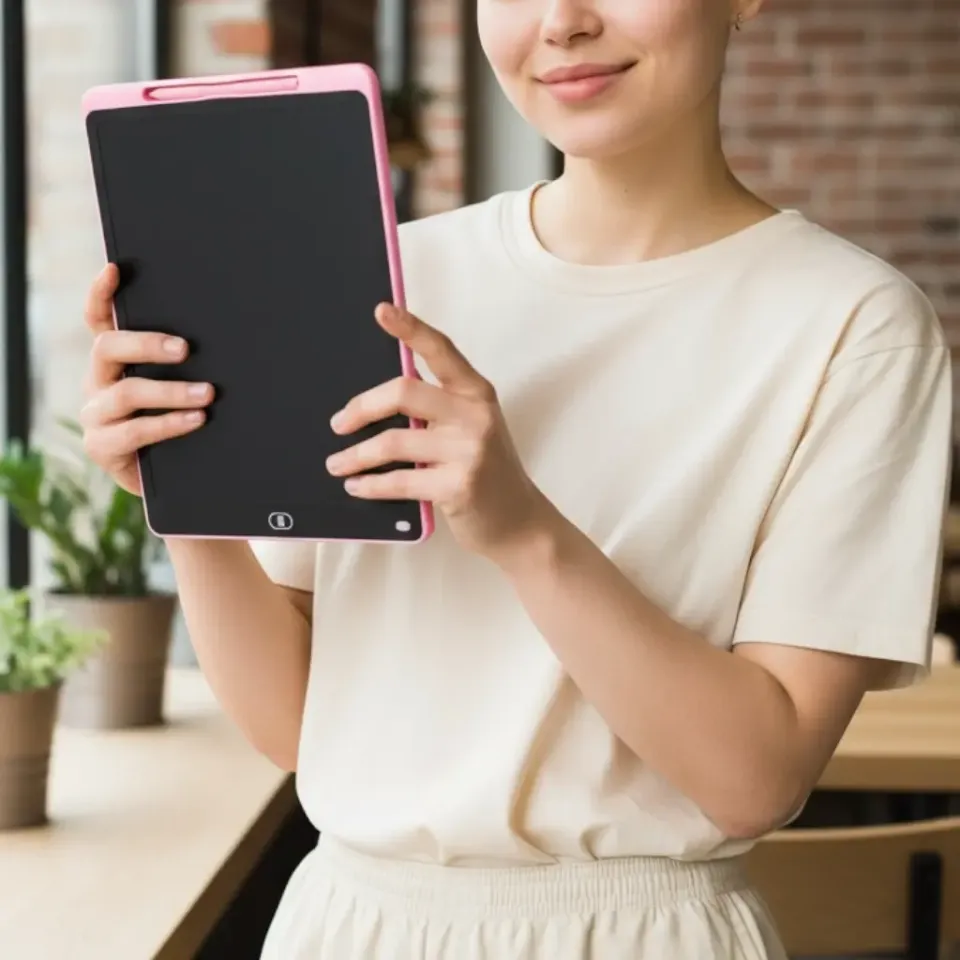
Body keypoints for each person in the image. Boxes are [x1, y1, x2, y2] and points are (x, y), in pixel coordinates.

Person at [79, 0, 952, 957]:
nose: (563, 22)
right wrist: (185, 492)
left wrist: (523, 530)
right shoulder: (391, 278)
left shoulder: (854, 325)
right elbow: (299, 729)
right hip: (350, 925)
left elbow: (756, 780)